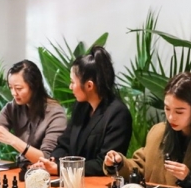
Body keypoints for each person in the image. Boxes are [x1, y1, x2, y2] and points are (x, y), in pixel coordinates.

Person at [103, 72, 191, 188]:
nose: (171, 117)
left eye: (179, 111)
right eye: (167, 108)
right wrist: (118, 163)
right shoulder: (158, 132)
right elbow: (139, 167)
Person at [36, 46, 132, 176]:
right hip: (72, 180)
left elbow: (104, 164)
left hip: (99, 182)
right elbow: (64, 144)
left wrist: (61, 169)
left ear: (89, 85)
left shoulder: (118, 114)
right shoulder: (81, 106)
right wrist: (53, 161)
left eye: (73, 82)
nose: (70, 87)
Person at [0, 60, 67, 163]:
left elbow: (46, 158)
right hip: (23, 167)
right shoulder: (12, 107)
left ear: (34, 86)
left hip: (44, 171)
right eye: (11, 87)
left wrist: (12, 140)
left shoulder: (55, 113)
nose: (13, 93)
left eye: (18, 88)